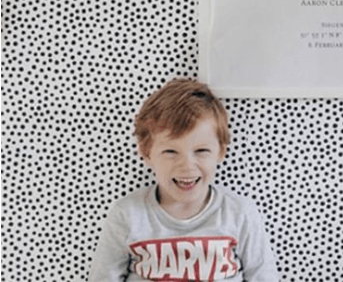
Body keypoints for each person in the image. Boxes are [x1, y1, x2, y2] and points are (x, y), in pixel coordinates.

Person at [89, 78, 280, 281]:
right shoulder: (127, 214)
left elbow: (264, 277)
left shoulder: (240, 213)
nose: (187, 165)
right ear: (146, 153)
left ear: (221, 151)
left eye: (201, 151)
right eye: (171, 151)